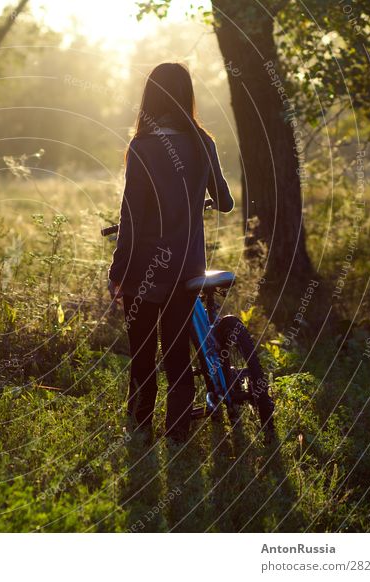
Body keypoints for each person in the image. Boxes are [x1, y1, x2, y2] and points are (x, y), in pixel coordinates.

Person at [108, 62, 234, 443]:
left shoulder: (143, 147)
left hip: (144, 268)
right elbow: (225, 202)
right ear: (186, 96)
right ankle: (178, 432)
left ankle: (140, 429)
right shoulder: (203, 143)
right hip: (187, 266)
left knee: (143, 353)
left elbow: (131, 217)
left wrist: (117, 271)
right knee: (176, 352)